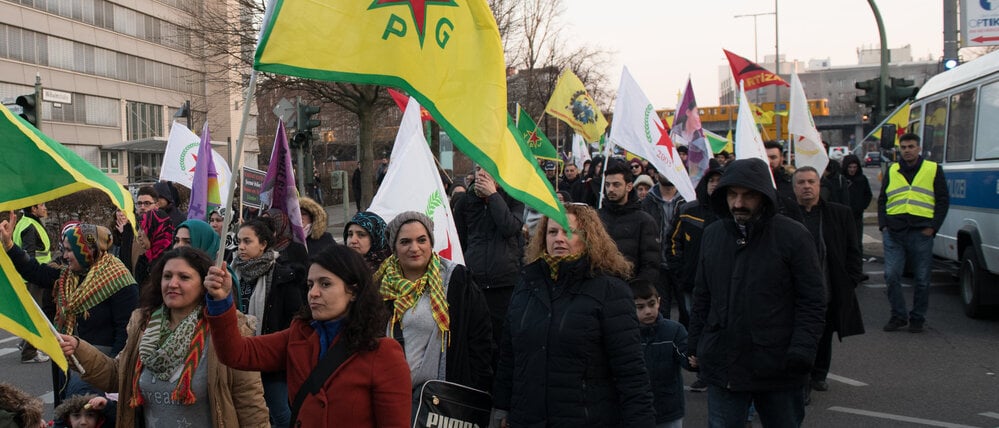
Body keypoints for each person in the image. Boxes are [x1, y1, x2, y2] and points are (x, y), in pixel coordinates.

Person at [57, 247, 269, 427]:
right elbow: (117, 376)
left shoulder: (228, 329)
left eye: (184, 277)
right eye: (167, 276)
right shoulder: (143, 326)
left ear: (205, 282)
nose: (173, 284)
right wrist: (78, 348)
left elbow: (249, 404)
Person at [205, 244, 412, 427]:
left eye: (325, 284)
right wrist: (221, 301)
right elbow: (236, 353)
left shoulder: (383, 354)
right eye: (310, 285)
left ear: (354, 291)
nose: (313, 293)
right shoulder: (299, 335)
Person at [687, 158, 826, 427]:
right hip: (724, 364)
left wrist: (801, 351)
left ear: (763, 196)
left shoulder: (793, 236)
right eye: (732, 194)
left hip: (779, 366)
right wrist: (695, 346)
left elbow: (813, 300)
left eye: (748, 195)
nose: (739, 203)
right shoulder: (714, 235)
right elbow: (702, 295)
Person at [491, 203, 655, 427]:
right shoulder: (527, 284)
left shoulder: (610, 292)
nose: (559, 238)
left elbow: (631, 373)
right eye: (552, 232)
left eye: (569, 231)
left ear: (589, 237)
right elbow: (510, 355)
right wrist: (503, 408)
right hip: (527, 418)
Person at [1, 218, 139, 407]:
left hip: (98, 370)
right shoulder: (69, 275)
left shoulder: (120, 282)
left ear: (87, 250)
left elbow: (125, 334)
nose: (64, 256)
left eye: (69, 250)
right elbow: (36, 272)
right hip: (67, 361)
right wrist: (9, 245)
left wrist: (113, 380)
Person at [375, 211, 493, 395]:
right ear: (394, 247)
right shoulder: (380, 285)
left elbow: (480, 340)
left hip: (443, 400)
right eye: (405, 242)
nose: (415, 248)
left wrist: (475, 390)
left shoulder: (457, 281)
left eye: (421, 240)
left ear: (431, 243)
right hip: (392, 396)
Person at [792, 167, 865, 404]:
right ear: (794, 188)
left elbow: (853, 251)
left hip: (829, 288)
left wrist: (850, 280)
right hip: (795, 291)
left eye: (811, 181)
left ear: (819, 185)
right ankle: (801, 383)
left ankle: (819, 375)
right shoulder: (786, 217)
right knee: (802, 336)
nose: (806, 186)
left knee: (824, 335)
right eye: (801, 182)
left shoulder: (838, 214)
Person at [230, 217, 306, 426]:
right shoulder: (231, 273)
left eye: (247, 241)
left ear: (263, 244)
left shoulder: (282, 275)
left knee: (280, 412)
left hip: (270, 359)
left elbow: (294, 318)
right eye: (239, 241)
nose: (241, 247)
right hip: (239, 357)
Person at [878, 133, 949, 333]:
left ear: (919, 149)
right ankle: (898, 315)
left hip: (921, 231)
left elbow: (943, 200)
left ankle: (917, 318)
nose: (907, 150)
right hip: (894, 231)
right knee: (891, 275)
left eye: (911, 146)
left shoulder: (933, 169)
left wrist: (933, 227)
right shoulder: (892, 169)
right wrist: (884, 226)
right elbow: (883, 199)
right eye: (904, 147)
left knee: (922, 279)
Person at [666, 161, 723, 392]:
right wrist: (679, 269)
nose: (715, 185)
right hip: (691, 283)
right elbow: (673, 242)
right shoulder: (689, 210)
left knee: (717, 325)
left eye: (720, 182)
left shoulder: (728, 213)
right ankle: (701, 370)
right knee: (694, 324)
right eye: (712, 181)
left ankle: (716, 368)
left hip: (720, 284)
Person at [453, 166, 525, 350]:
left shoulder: (513, 199)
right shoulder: (465, 202)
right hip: (475, 283)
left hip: (504, 284)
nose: (482, 173)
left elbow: (509, 227)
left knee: (503, 341)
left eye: (488, 169)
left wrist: (493, 196)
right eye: (478, 168)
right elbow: (459, 242)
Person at [630, 279, 689, 428]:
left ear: (659, 302)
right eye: (640, 307)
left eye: (651, 304)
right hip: (635, 410)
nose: (648, 311)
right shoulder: (626, 335)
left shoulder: (674, 330)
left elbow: (686, 354)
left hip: (669, 409)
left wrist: (693, 359)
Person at [599, 160, 660, 285]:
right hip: (599, 291)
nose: (610, 189)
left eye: (616, 185)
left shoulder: (644, 221)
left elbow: (650, 264)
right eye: (607, 185)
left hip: (630, 292)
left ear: (629, 186)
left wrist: (638, 292)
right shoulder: (595, 218)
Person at [641, 171, 686, 322]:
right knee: (661, 311)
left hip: (681, 264)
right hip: (657, 264)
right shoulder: (648, 201)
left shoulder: (687, 199)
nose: (667, 172)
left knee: (686, 309)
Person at [12, 202, 53, 364]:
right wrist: (36, 275)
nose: (45, 208)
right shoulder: (29, 226)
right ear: (33, 209)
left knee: (33, 312)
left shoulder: (25, 222)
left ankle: (25, 343)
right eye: (42, 205)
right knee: (37, 314)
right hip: (34, 278)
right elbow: (29, 256)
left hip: (32, 277)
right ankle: (29, 352)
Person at [841, 154, 873, 253]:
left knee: (857, 242)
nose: (852, 170)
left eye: (854, 167)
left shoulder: (862, 179)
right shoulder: (841, 179)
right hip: (843, 216)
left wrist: (862, 206)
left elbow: (868, 194)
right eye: (850, 167)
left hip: (857, 215)